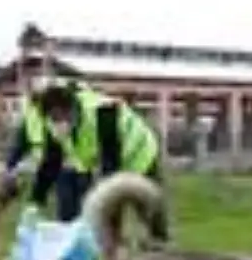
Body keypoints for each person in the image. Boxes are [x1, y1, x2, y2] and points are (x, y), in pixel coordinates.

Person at [29, 80, 169, 243]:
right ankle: (112, 248)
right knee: (105, 218)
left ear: (72, 108)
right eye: (54, 118)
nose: (60, 122)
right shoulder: (52, 124)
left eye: (63, 116)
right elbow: (51, 163)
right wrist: (35, 202)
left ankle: (160, 243)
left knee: (148, 208)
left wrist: (104, 203)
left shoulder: (101, 111)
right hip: (108, 159)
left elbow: (110, 162)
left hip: (139, 153)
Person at [3, 89, 93, 224]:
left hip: (80, 165)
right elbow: (20, 145)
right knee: (66, 210)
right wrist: (8, 166)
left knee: (85, 208)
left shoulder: (63, 110)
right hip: (61, 167)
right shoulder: (31, 117)